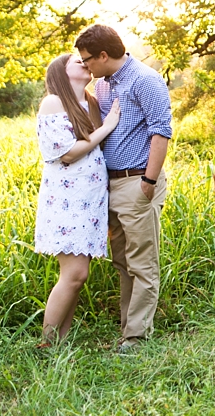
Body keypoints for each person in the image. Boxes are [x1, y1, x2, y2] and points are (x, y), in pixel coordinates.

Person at [74, 24, 172, 353]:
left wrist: (148, 182)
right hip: (111, 184)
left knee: (142, 263)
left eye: (87, 59)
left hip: (137, 181)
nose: (84, 65)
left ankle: (136, 338)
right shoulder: (103, 85)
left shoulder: (145, 79)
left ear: (103, 55)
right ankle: (127, 326)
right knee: (122, 262)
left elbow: (161, 132)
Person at [35, 53, 121, 347]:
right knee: (74, 274)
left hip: (90, 200)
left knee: (78, 276)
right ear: (61, 72)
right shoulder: (53, 102)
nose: (84, 61)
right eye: (75, 60)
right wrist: (107, 126)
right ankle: (46, 343)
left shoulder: (92, 102)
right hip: (66, 200)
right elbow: (68, 152)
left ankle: (60, 342)